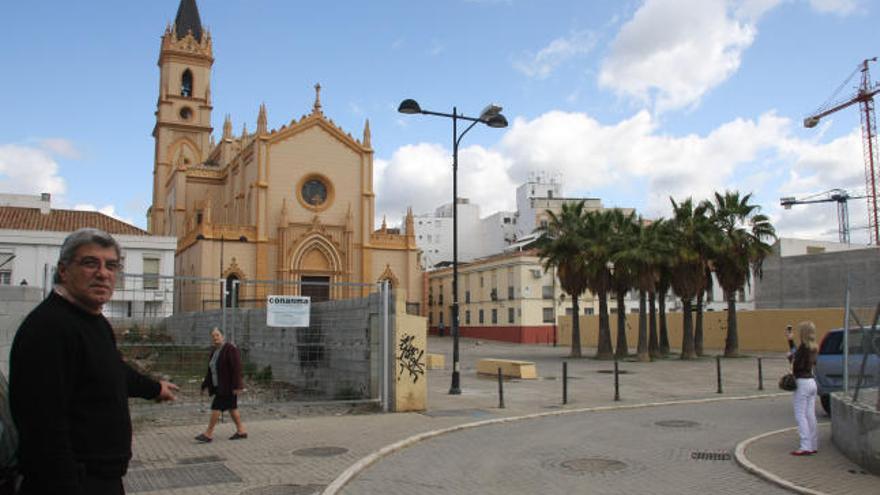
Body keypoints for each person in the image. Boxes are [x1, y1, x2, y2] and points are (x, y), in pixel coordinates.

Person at [9, 228, 178, 495]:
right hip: (72, 481)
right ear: (63, 271)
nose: (103, 273)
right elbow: (45, 428)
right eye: (90, 263)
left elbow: (110, 370)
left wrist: (154, 388)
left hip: (102, 478)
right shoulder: (49, 329)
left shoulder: (92, 321)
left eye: (111, 266)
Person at [196, 327, 247, 442]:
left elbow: (237, 368)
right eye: (213, 336)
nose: (215, 338)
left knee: (216, 406)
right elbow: (211, 370)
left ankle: (208, 434)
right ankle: (241, 431)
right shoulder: (214, 351)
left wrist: (237, 386)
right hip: (219, 385)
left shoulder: (230, 349)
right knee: (232, 408)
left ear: (223, 336)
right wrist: (204, 385)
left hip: (228, 386)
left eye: (217, 335)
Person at [785, 321, 819, 456]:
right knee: (810, 414)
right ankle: (813, 444)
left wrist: (790, 358)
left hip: (802, 383)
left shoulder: (803, 348)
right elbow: (799, 355)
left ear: (803, 333)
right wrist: (790, 341)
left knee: (800, 415)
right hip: (812, 382)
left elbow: (796, 364)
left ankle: (805, 446)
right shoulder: (813, 347)